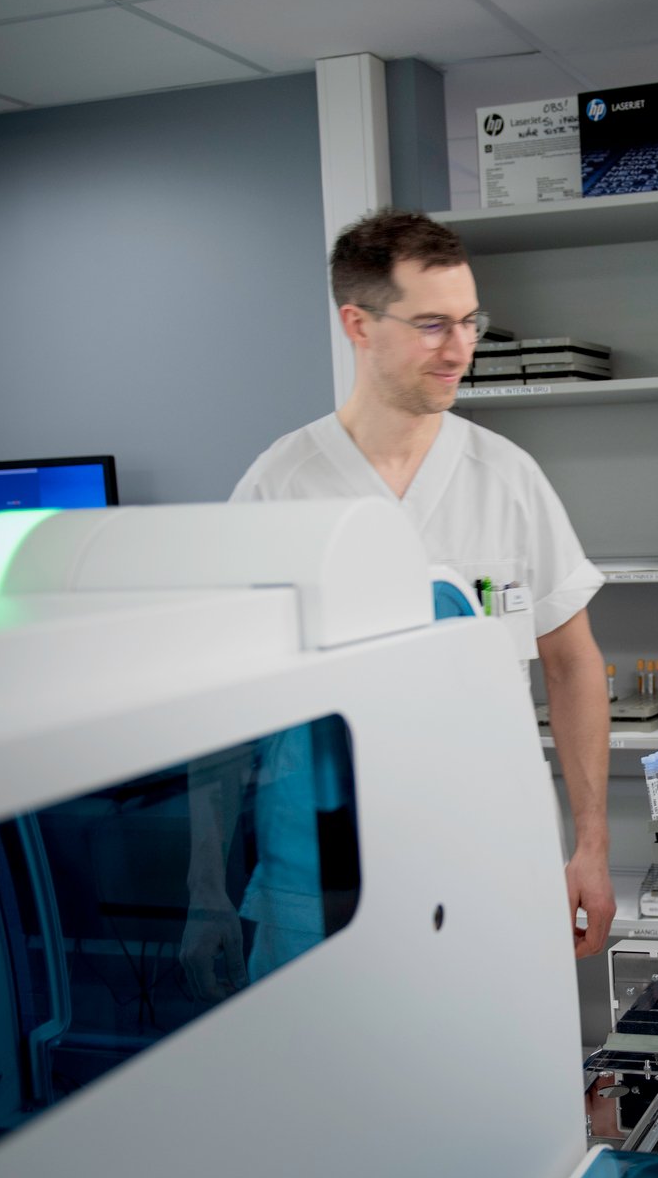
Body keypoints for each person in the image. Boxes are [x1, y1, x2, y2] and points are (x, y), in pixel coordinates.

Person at [183, 210, 615, 999]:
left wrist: (591, 845)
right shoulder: (279, 487)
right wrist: (205, 886)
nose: (460, 349)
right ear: (358, 324)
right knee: (329, 1100)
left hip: (488, 861)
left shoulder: (507, 478)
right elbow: (214, 711)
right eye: (431, 325)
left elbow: (574, 663)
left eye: (468, 321)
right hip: (315, 880)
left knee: (486, 1096)